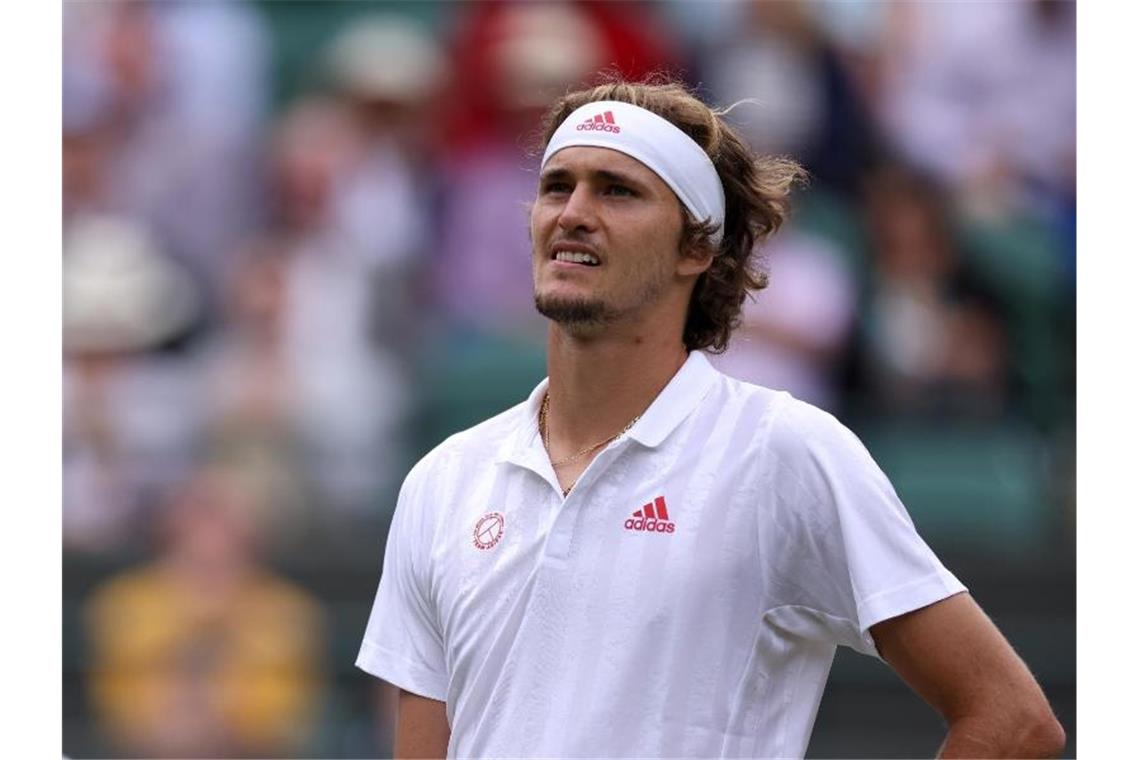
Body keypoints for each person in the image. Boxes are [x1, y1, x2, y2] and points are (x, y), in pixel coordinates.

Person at [356, 79, 1065, 758]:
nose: (572, 211)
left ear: (697, 248)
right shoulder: (442, 480)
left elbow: (1011, 717)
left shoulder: (784, 451)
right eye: (556, 186)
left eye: (618, 190)